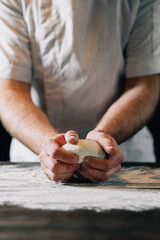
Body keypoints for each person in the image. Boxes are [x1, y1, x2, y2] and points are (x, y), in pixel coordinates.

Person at [0, 0, 159, 183]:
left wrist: (105, 137)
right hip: (36, 159)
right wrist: (47, 144)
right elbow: (11, 90)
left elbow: (144, 84)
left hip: (123, 158)